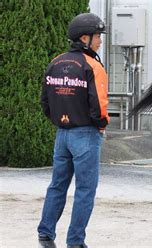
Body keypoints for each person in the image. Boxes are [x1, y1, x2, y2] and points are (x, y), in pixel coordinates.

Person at [38, 13, 109, 248]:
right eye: (97, 36)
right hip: (86, 135)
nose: (99, 40)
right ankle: (76, 242)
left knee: (57, 185)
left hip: (62, 134)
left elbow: (45, 102)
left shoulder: (55, 62)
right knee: (85, 190)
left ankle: (45, 235)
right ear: (85, 38)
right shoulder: (93, 66)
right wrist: (101, 125)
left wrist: (61, 120)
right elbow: (99, 105)